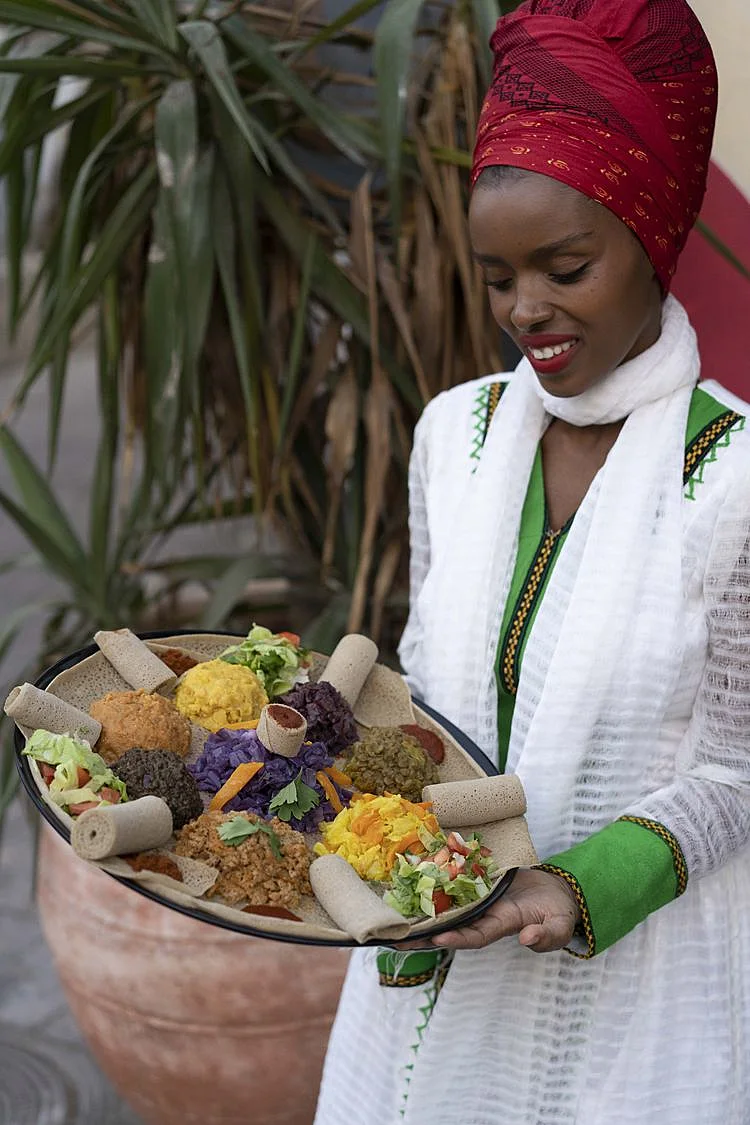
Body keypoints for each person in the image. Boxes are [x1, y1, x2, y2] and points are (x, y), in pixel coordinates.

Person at [314, 1, 750, 1122]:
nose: (526, 311)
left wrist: (577, 883)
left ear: (654, 237)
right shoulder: (454, 438)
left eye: (565, 267)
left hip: (634, 997)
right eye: (498, 276)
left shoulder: (734, 479)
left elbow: (741, 772)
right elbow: (421, 695)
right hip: (418, 954)